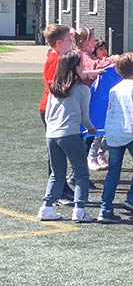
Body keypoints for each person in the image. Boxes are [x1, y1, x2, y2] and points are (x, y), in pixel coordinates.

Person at [38, 51, 97, 223]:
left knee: (56, 173)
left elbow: (48, 115)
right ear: (75, 67)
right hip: (70, 134)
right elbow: (85, 118)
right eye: (81, 65)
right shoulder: (83, 90)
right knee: (81, 174)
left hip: (51, 135)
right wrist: (91, 129)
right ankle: (79, 209)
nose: (84, 67)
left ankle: (46, 207)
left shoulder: (54, 89)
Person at [99, 53, 133, 223]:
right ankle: (132, 198)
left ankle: (105, 208)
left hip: (114, 132)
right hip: (132, 132)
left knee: (114, 171)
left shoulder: (115, 89)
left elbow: (110, 109)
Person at [40, 24, 76, 206]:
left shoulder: (59, 57)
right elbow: (54, 85)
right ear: (59, 43)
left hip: (56, 109)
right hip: (51, 110)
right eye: (69, 40)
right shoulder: (55, 60)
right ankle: (57, 191)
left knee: (61, 152)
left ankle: (62, 187)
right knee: (56, 154)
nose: (72, 43)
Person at [74, 28, 116, 171]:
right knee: (86, 136)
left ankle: (79, 170)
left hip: (87, 100)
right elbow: (95, 66)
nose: (94, 41)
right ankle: (77, 173)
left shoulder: (86, 55)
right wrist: (113, 60)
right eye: (92, 39)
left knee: (89, 134)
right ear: (87, 42)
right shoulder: (82, 56)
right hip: (84, 101)